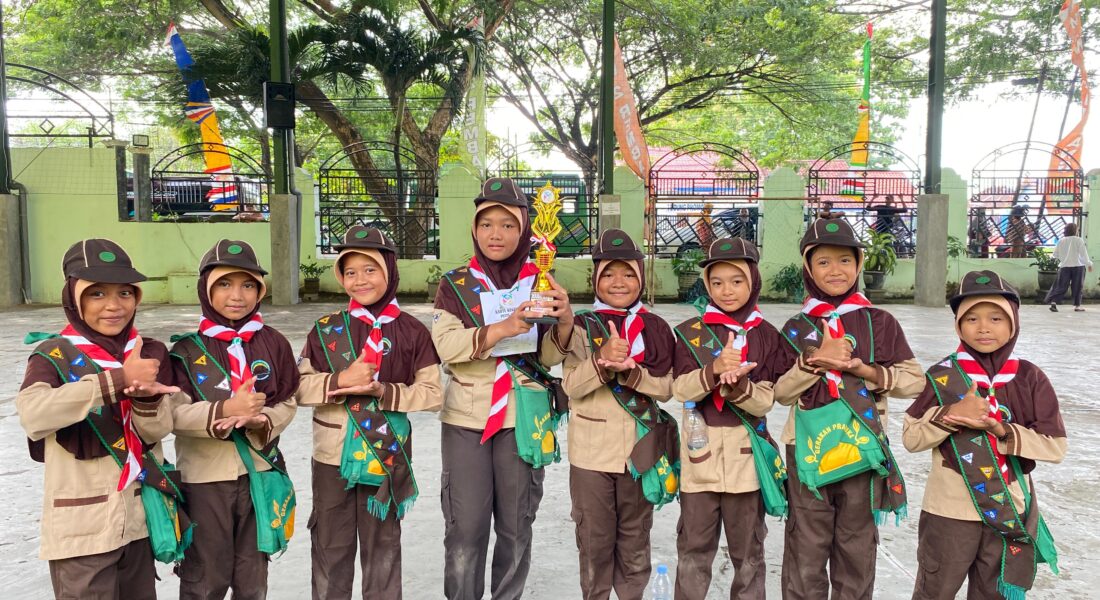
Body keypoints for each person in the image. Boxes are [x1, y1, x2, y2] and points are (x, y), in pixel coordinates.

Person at [17, 239, 183, 600]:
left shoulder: (148, 352)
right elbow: (33, 414)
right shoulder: (54, 354)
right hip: (82, 530)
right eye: (97, 294)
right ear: (74, 299)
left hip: (140, 520)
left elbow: (158, 431)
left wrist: (146, 399)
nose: (113, 305)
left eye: (125, 292)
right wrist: (116, 381)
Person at [432, 177, 574, 600]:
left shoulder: (539, 280)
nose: (496, 234)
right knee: (465, 527)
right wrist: (502, 328)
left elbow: (548, 356)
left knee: (516, 525)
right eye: (487, 224)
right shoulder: (456, 284)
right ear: (474, 229)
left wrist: (565, 321)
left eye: (508, 225)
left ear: (525, 230)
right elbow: (446, 347)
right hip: (467, 417)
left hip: (523, 416)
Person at [773, 216, 925, 599]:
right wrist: (814, 361)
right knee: (806, 547)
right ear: (809, 268)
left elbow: (915, 381)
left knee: (856, 547)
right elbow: (781, 393)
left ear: (858, 264)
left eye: (845, 260)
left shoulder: (880, 322)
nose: (835, 270)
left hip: (863, 448)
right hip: (807, 448)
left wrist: (865, 371)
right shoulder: (796, 327)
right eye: (823, 262)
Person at [297, 226, 442, 599]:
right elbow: (298, 388)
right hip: (332, 459)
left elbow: (432, 395)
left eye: (370, 269)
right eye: (350, 272)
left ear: (389, 270)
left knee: (383, 551)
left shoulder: (412, 331)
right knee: (330, 548)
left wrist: (383, 391)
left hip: (385, 455)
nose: (359, 280)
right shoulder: (325, 330)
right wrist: (340, 380)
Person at [904, 271, 1065, 599]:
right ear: (958, 326)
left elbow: (1055, 446)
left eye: (996, 318)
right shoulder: (942, 376)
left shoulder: (1030, 377)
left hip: (1008, 510)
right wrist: (951, 415)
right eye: (972, 318)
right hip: (949, 512)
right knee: (934, 590)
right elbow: (912, 438)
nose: (983, 328)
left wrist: (1001, 430)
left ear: (1013, 323)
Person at [168, 239, 299, 600]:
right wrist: (225, 410)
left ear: (260, 291)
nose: (237, 296)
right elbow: (173, 414)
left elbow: (288, 399)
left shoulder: (274, 342)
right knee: (205, 578)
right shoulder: (185, 350)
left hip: (259, 473)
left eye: (248, 285)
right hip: (205, 480)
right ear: (206, 289)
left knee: (252, 577)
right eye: (224, 284)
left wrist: (263, 420)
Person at [671, 237, 795, 599]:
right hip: (700, 459)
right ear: (707, 285)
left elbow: (767, 400)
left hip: (747, 463)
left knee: (749, 555)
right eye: (717, 282)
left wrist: (740, 386)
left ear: (753, 281)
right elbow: (680, 389)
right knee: (693, 551)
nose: (727, 290)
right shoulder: (690, 332)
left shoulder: (768, 336)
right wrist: (713, 371)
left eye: (737, 281)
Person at [564, 229, 677, 599]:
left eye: (629, 273)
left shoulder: (656, 327)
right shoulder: (579, 326)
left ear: (641, 278)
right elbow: (572, 386)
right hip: (590, 454)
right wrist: (601, 360)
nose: (618, 282)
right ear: (595, 278)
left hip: (640, 451)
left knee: (635, 542)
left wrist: (632, 372)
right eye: (609, 273)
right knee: (594, 543)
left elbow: (668, 387)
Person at [1045, 222, 1092, 312]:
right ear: (1075, 231)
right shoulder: (1079, 240)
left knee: (1060, 286)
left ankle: (1054, 303)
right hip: (1078, 266)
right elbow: (1084, 254)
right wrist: (1089, 264)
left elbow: (1055, 255)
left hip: (1064, 266)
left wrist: (1064, 258)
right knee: (1077, 286)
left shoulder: (1061, 241)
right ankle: (1077, 306)